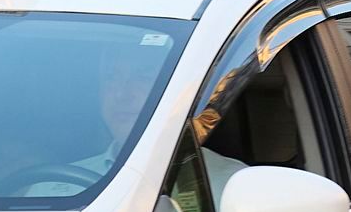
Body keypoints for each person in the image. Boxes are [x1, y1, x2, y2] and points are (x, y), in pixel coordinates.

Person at [24, 41, 246, 198]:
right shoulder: (50, 187)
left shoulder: (232, 186)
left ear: (179, 91)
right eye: (112, 78)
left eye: (143, 77)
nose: (122, 94)